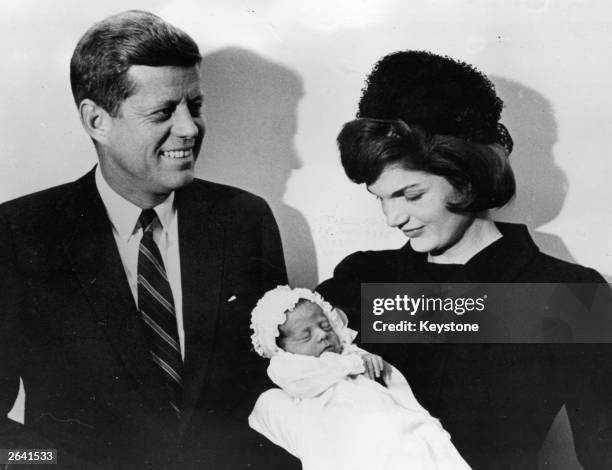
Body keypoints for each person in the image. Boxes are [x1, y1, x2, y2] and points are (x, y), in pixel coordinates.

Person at [0, 10, 298, 469]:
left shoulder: (245, 220)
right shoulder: (18, 234)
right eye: (163, 112)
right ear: (96, 120)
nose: (189, 128)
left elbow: (282, 379)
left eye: (194, 106)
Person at [317, 50, 612, 469]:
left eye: (411, 195)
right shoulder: (358, 281)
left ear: (466, 178)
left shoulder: (571, 296)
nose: (393, 218)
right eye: (380, 198)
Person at [248, 286, 471, 470]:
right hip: (341, 425)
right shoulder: (288, 365)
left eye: (325, 326)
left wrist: (368, 359)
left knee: (411, 442)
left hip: (381, 413)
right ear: (281, 348)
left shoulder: (346, 352)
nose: (322, 334)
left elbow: (386, 378)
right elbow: (304, 382)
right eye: (306, 336)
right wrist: (352, 364)